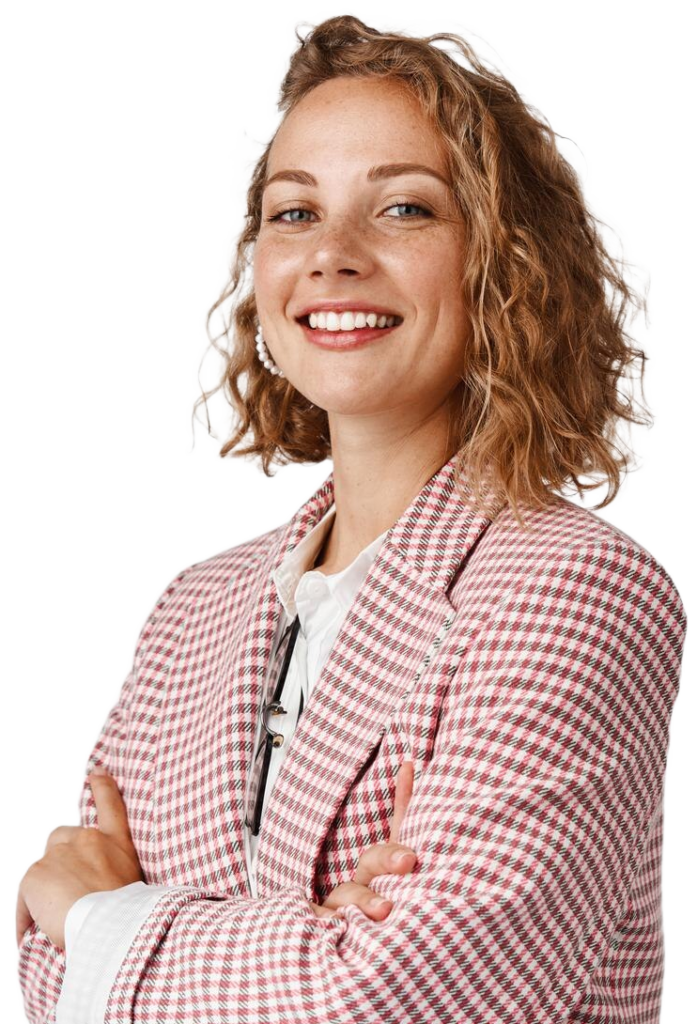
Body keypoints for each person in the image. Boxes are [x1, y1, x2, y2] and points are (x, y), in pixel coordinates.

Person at [15, 13, 687, 1024]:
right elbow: (42, 968)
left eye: (403, 209)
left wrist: (109, 919)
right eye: (293, 214)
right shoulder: (190, 611)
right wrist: (316, 937)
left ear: (500, 262)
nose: (331, 255)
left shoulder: (579, 586)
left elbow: (414, 997)